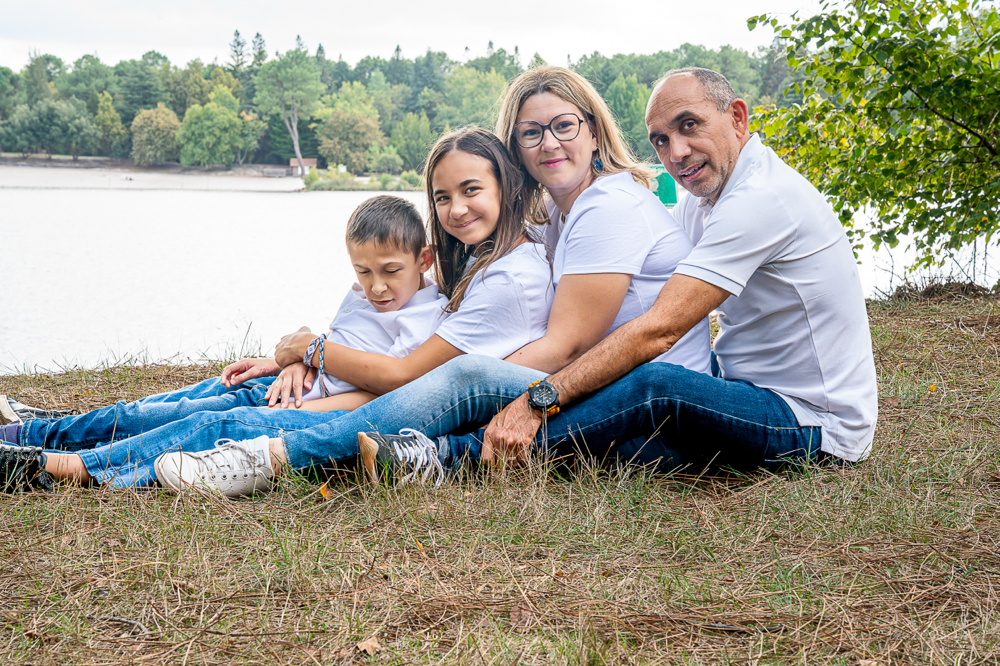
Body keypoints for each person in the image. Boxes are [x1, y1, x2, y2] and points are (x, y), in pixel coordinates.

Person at [170, 64, 713, 488]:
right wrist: (321, 355)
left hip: (640, 414)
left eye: (564, 126)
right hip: (598, 390)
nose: (549, 143)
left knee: (461, 379)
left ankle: (273, 457)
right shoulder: (556, 212)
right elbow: (440, 319)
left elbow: (564, 347)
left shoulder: (608, 206)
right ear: (515, 153)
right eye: (531, 133)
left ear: (593, 131)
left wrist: (424, 382)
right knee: (443, 380)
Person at [364, 66, 878, 480]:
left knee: (654, 382)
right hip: (739, 386)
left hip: (811, 422)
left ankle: (450, 458)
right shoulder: (701, 199)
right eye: (661, 140)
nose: (676, 152)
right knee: (633, 385)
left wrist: (536, 401)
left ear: (738, 118)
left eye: (690, 126)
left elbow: (661, 329)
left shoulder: (761, 200)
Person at [0, 127, 554, 494]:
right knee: (185, 403)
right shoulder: (479, 258)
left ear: (505, 185)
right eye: (441, 196)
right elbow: (369, 331)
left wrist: (309, 353)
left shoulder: (507, 278)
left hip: (362, 408)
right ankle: (35, 434)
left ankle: (58, 467)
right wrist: (298, 359)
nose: (456, 209)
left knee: (215, 421)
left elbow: (406, 377)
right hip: (331, 387)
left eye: (471, 190)